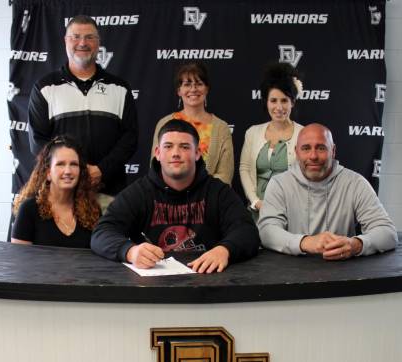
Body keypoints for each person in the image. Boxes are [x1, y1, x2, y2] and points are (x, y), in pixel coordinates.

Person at [92, 119, 259, 273]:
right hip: (153, 287)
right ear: (157, 152)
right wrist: (129, 251)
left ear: (197, 153)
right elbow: (102, 233)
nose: (176, 153)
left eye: (185, 147)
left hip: (207, 284)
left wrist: (225, 250)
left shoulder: (218, 192)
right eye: (168, 146)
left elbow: (247, 231)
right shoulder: (139, 192)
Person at [28, 15, 138, 211]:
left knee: (107, 241)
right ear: (65, 41)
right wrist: (72, 170)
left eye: (89, 37)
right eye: (76, 36)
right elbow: (38, 141)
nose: (82, 43)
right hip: (62, 195)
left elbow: (130, 138)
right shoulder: (45, 87)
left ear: (98, 42)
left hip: (109, 193)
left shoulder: (120, 88)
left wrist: (102, 170)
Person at [257, 123, 398, 259]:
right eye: (306, 148)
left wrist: (356, 245)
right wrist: (305, 242)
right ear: (296, 152)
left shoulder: (355, 183)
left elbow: (388, 233)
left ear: (333, 151)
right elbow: (266, 231)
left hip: (342, 271)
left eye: (321, 148)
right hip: (289, 274)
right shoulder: (279, 184)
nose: (313, 156)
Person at [151, 61, 234, 185]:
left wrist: (199, 194)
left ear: (207, 89)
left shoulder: (221, 128)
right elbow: (155, 169)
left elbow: (225, 176)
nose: (193, 89)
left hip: (209, 201)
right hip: (169, 200)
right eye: (187, 84)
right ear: (179, 91)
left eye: (199, 84)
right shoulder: (164, 123)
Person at [240, 62, 303, 220]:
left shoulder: (303, 134)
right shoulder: (252, 132)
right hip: (257, 212)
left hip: (293, 213)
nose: (279, 107)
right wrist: (255, 202)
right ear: (266, 102)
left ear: (293, 102)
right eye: (273, 100)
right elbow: (245, 168)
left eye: (284, 100)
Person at [12, 136, 100, 248]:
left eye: (73, 164)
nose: (68, 171)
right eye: (60, 164)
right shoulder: (29, 209)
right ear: (48, 172)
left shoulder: (92, 210)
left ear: (80, 172)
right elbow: (19, 260)